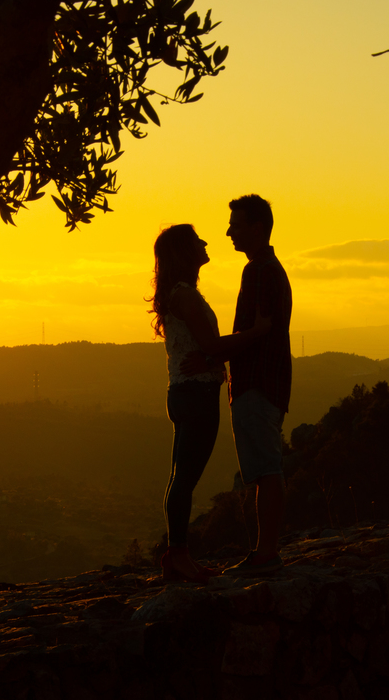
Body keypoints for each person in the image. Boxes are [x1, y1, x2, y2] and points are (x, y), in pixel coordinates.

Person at [149, 224, 269, 583]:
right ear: (186, 252)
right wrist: (257, 333)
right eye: (197, 240)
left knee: (179, 476)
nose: (205, 242)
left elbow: (207, 349)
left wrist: (211, 358)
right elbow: (214, 346)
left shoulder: (177, 294)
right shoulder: (185, 296)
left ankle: (177, 555)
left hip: (183, 392)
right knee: (185, 478)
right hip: (198, 394)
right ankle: (180, 556)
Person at [220, 194, 292, 575]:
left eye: (236, 223)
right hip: (261, 383)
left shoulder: (261, 271)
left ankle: (267, 553)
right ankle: (265, 550)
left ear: (257, 228)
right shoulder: (264, 268)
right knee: (265, 469)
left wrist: (217, 351)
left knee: (266, 469)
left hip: (258, 384)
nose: (229, 231)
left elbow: (259, 331)